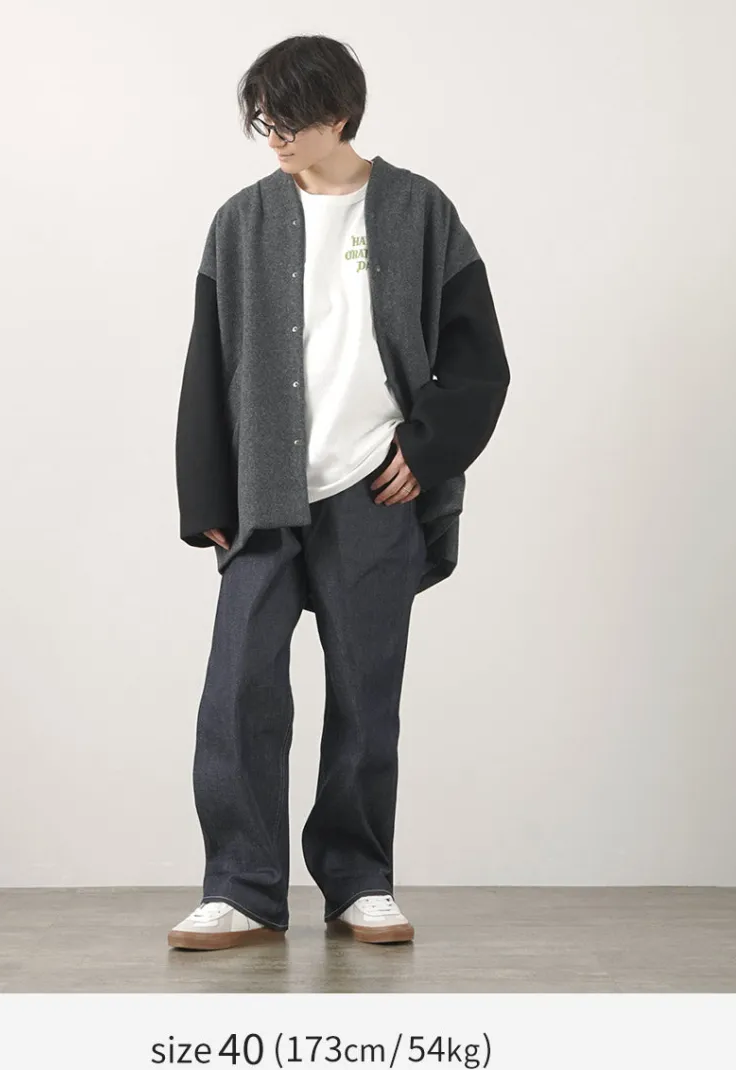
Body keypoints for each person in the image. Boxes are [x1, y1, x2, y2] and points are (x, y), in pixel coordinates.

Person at [170, 35, 510, 951]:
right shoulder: (240, 221)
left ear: (340, 113)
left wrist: (427, 450)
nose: (274, 134)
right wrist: (206, 494)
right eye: (264, 119)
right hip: (262, 493)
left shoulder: (419, 210)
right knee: (239, 688)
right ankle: (241, 887)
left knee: (366, 693)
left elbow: (479, 361)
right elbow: (206, 365)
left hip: (373, 492)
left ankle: (360, 881)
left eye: (289, 117)